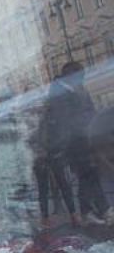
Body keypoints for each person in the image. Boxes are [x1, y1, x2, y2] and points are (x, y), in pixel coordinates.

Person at [44, 61, 111, 224]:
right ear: (71, 76)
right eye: (80, 76)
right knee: (87, 174)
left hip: (83, 140)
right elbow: (66, 122)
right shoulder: (59, 93)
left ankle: (95, 210)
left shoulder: (75, 89)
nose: (82, 79)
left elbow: (87, 111)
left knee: (89, 175)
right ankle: (98, 210)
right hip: (75, 144)